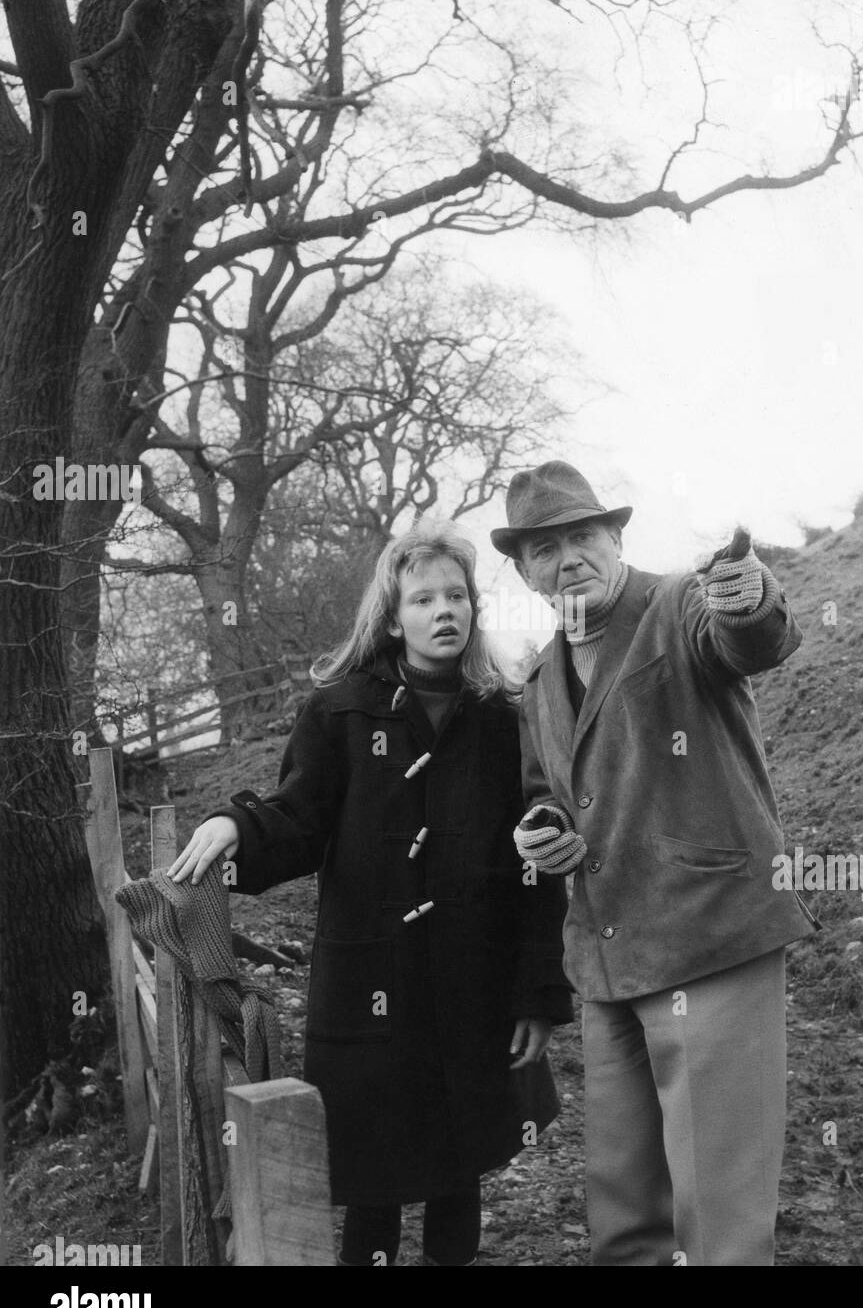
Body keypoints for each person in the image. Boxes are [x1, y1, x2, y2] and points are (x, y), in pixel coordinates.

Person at [168, 522, 572, 1266]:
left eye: (457, 595)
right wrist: (237, 823)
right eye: (424, 598)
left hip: (471, 984)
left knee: (461, 1169)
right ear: (393, 616)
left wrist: (537, 994)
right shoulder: (341, 712)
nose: (444, 610)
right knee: (372, 1177)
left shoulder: (501, 720)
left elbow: (536, 873)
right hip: (369, 984)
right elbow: (297, 817)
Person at [491, 460, 818, 1267]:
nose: (567, 558)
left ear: (615, 537)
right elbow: (548, 793)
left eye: (582, 536)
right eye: (543, 548)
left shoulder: (677, 605)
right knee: (626, 1219)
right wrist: (541, 829)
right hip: (606, 962)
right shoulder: (538, 678)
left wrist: (750, 599)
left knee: (719, 1225)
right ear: (524, 570)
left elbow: (746, 636)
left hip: (710, 940)